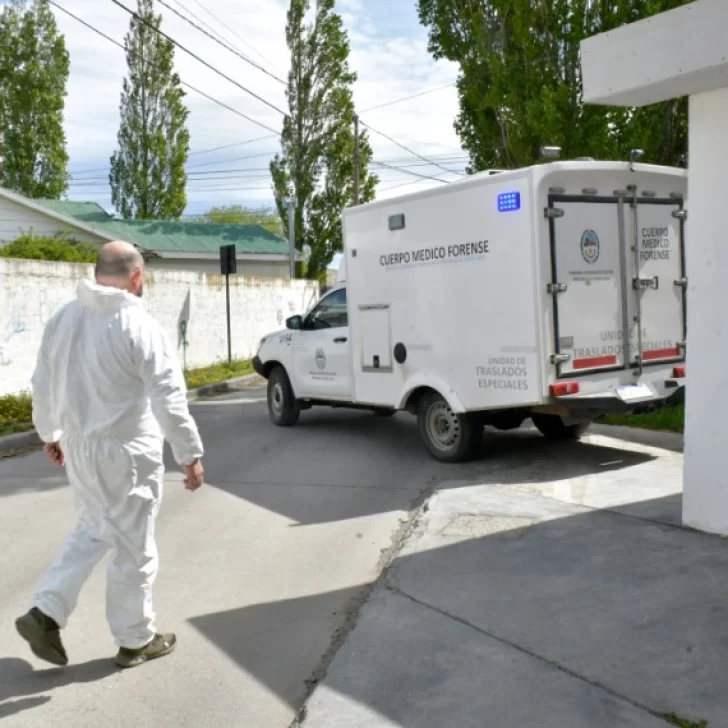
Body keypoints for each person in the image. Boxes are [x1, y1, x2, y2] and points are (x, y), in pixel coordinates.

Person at [15, 240, 205, 670]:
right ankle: (136, 639)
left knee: (92, 529)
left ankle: (46, 611)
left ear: (97, 271)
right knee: (134, 548)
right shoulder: (138, 325)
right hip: (127, 453)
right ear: (137, 276)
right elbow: (168, 397)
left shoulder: (63, 318)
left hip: (81, 449)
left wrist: (51, 433)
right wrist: (189, 454)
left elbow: (41, 383)